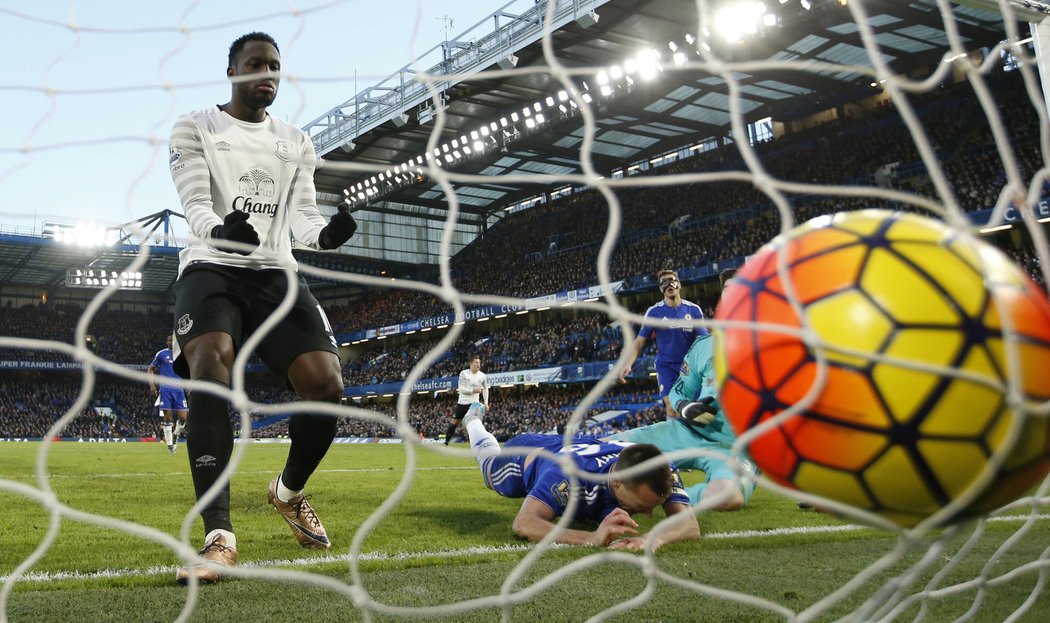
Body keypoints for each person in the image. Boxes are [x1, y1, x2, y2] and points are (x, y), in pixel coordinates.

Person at [167, 32, 359, 585]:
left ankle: (288, 492)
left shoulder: (295, 141)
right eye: (255, 64)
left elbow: (303, 218)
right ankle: (219, 539)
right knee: (210, 366)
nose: (267, 73)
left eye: (275, 65)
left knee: (326, 387)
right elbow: (195, 204)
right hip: (211, 266)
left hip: (276, 274)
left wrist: (327, 236)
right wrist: (221, 231)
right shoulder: (195, 126)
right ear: (232, 71)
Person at [608, 268, 758, 511]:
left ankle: (668, 496)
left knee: (726, 497)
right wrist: (684, 406)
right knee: (604, 445)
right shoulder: (704, 346)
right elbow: (678, 390)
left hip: (736, 449)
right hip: (688, 428)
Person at [462, 403, 700, 549]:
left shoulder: (663, 468)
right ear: (617, 482)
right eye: (643, 506)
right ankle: (473, 422)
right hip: (528, 454)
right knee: (489, 470)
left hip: (575, 445)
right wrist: (590, 538)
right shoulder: (568, 475)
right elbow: (524, 524)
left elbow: (689, 525)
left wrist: (652, 539)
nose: (649, 515)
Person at [620, 269, 706, 418]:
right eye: (664, 283)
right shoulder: (654, 312)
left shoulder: (693, 310)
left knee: (695, 409)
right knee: (671, 406)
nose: (669, 285)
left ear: (679, 284)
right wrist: (628, 363)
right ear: (660, 289)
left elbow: (704, 341)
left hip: (690, 367)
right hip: (666, 366)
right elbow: (640, 341)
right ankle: (676, 440)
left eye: (672, 281)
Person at [148, 334, 188, 454]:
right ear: (166, 342)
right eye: (169, 340)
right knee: (167, 418)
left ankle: (175, 434)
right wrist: (152, 385)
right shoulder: (161, 354)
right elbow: (151, 369)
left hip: (179, 389)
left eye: (173, 340)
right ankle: (170, 445)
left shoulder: (182, 354)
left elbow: (188, 370)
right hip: (165, 390)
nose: (171, 342)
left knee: (182, 418)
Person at [443, 354, 488, 445]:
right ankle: (446, 442)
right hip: (463, 403)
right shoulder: (464, 374)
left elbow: (486, 388)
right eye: (476, 362)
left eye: (479, 362)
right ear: (471, 363)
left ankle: (480, 444)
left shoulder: (482, 376)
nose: (478, 364)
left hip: (475, 405)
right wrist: (474, 390)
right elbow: (462, 389)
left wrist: (486, 402)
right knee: (454, 423)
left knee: (476, 424)